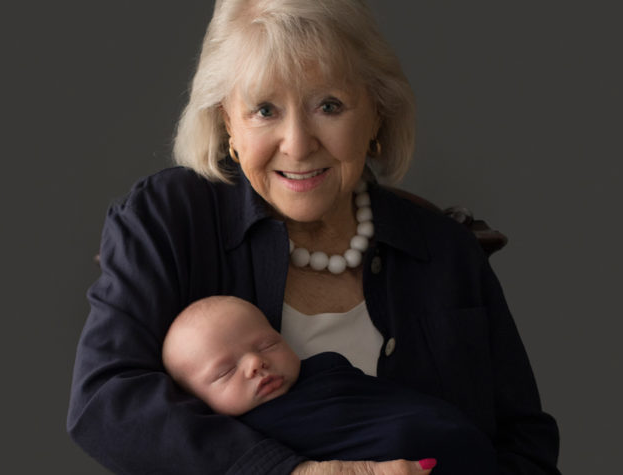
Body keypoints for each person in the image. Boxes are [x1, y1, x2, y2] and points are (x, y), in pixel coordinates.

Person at [67, 0, 561, 473]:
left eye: (329, 104)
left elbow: (525, 439)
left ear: (376, 114)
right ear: (227, 124)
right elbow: (106, 402)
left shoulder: (443, 249)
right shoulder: (170, 217)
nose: (299, 144)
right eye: (264, 109)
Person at [162, 295, 500, 474]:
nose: (255, 363)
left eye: (267, 345)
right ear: (195, 401)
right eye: (224, 372)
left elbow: (385, 404)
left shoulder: (327, 372)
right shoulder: (239, 440)